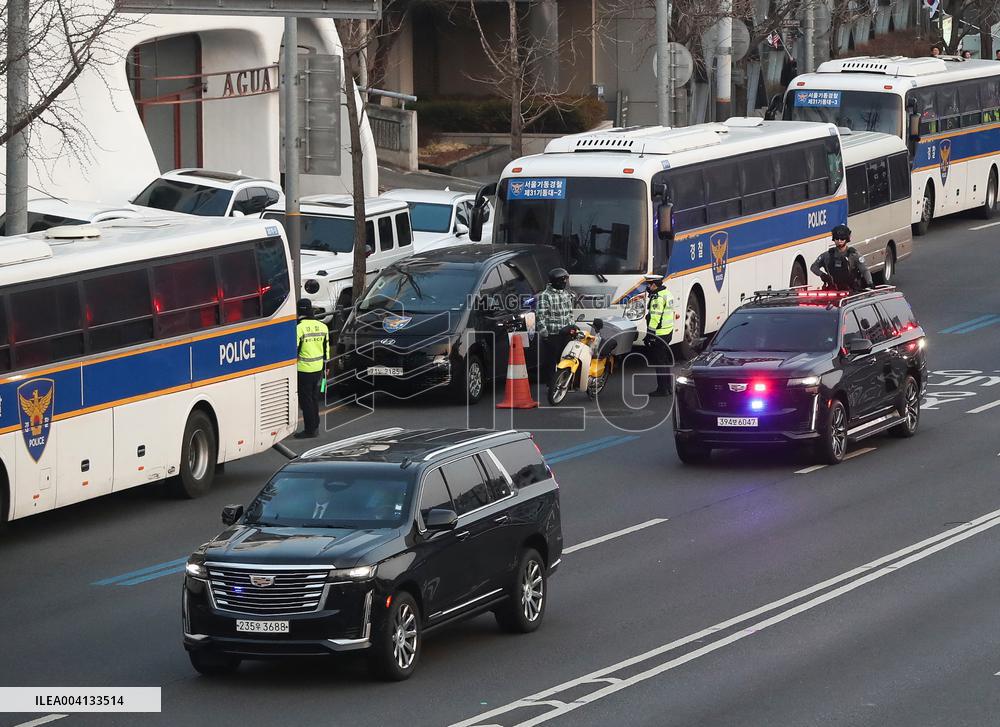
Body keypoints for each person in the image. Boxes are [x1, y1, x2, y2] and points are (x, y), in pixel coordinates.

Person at [295, 298, 330, 439]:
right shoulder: (323, 326)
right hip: (318, 369)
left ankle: (310, 430)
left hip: (303, 369)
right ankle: (315, 425)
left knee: (306, 400)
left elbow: (294, 350)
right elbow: (326, 348)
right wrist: (326, 366)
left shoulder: (299, 327)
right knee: (314, 398)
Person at [535, 267, 575, 388]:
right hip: (553, 335)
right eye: (563, 280)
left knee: (565, 358)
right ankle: (551, 385)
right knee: (551, 360)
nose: (565, 282)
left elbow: (570, 313)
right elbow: (540, 315)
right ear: (557, 281)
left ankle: (563, 382)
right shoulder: (545, 296)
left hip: (566, 333)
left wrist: (572, 327)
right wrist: (544, 333)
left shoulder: (566, 294)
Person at [810, 224, 873, 293]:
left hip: (852, 291)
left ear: (847, 239)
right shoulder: (827, 255)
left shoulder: (854, 255)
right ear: (834, 239)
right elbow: (814, 267)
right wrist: (823, 275)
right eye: (837, 238)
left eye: (842, 238)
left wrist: (870, 283)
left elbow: (864, 270)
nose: (839, 241)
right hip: (833, 290)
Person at [643, 274, 674, 397]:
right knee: (665, 361)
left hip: (659, 334)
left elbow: (655, 317)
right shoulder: (667, 293)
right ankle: (668, 387)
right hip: (668, 332)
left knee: (659, 362)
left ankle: (662, 389)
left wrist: (650, 334)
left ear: (654, 285)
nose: (648, 287)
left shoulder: (657, 298)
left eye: (649, 285)